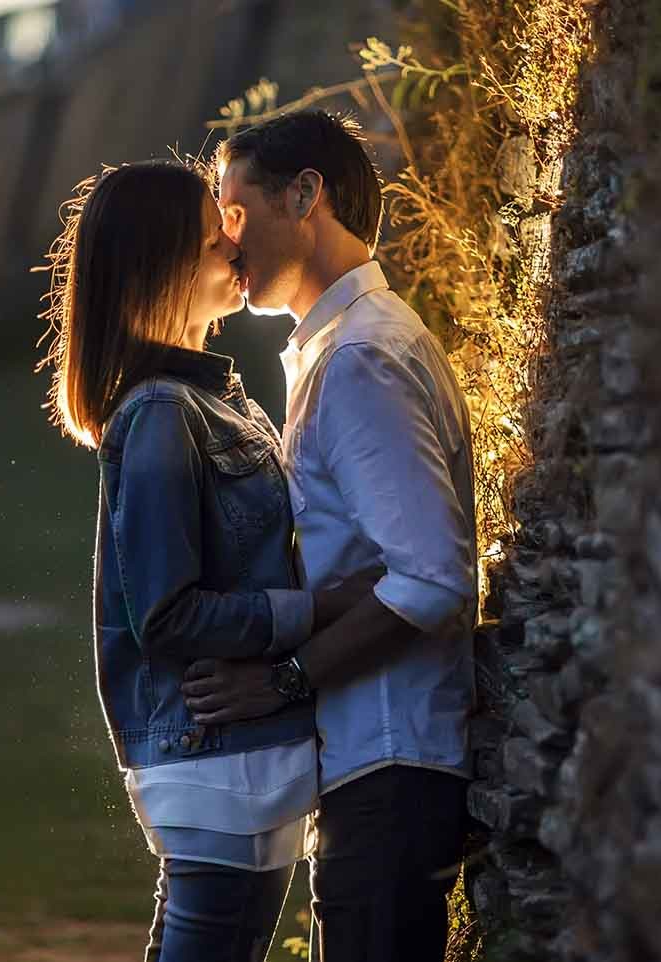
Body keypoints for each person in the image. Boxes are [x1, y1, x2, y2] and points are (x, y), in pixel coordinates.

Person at [39, 159, 374, 962]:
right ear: (161, 269)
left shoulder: (215, 397)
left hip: (245, 757)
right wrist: (322, 609)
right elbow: (166, 615)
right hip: (214, 760)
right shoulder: (159, 414)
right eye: (208, 237)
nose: (233, 246)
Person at [181, 110, 479, 961]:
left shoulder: (359, 359)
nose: (226, 241)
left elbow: (431, 580)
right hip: (371, 767)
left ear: (304, 195)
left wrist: (281, 681)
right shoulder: (337, 350)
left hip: (390, 762)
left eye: (234, 212)